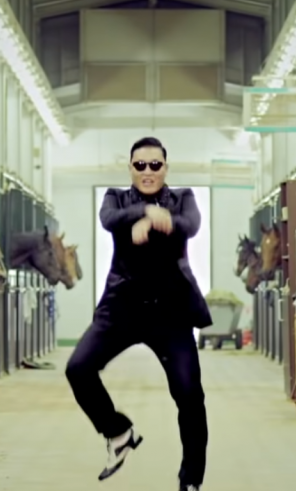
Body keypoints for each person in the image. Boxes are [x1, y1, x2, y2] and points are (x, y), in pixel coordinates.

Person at [65, 137, 212, 491]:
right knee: (78, 369)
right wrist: (146, 212)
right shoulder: (116, 198)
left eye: (155, 165)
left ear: (166, 167)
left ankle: (191, 482)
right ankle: (118, 432)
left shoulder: (183, 198)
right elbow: (109, 219)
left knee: (190, 396)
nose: (148, 171)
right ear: (130, 168)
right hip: (121, 308)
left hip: (170, 313)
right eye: (140, 165)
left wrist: (164, 218)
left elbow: (191, 224)